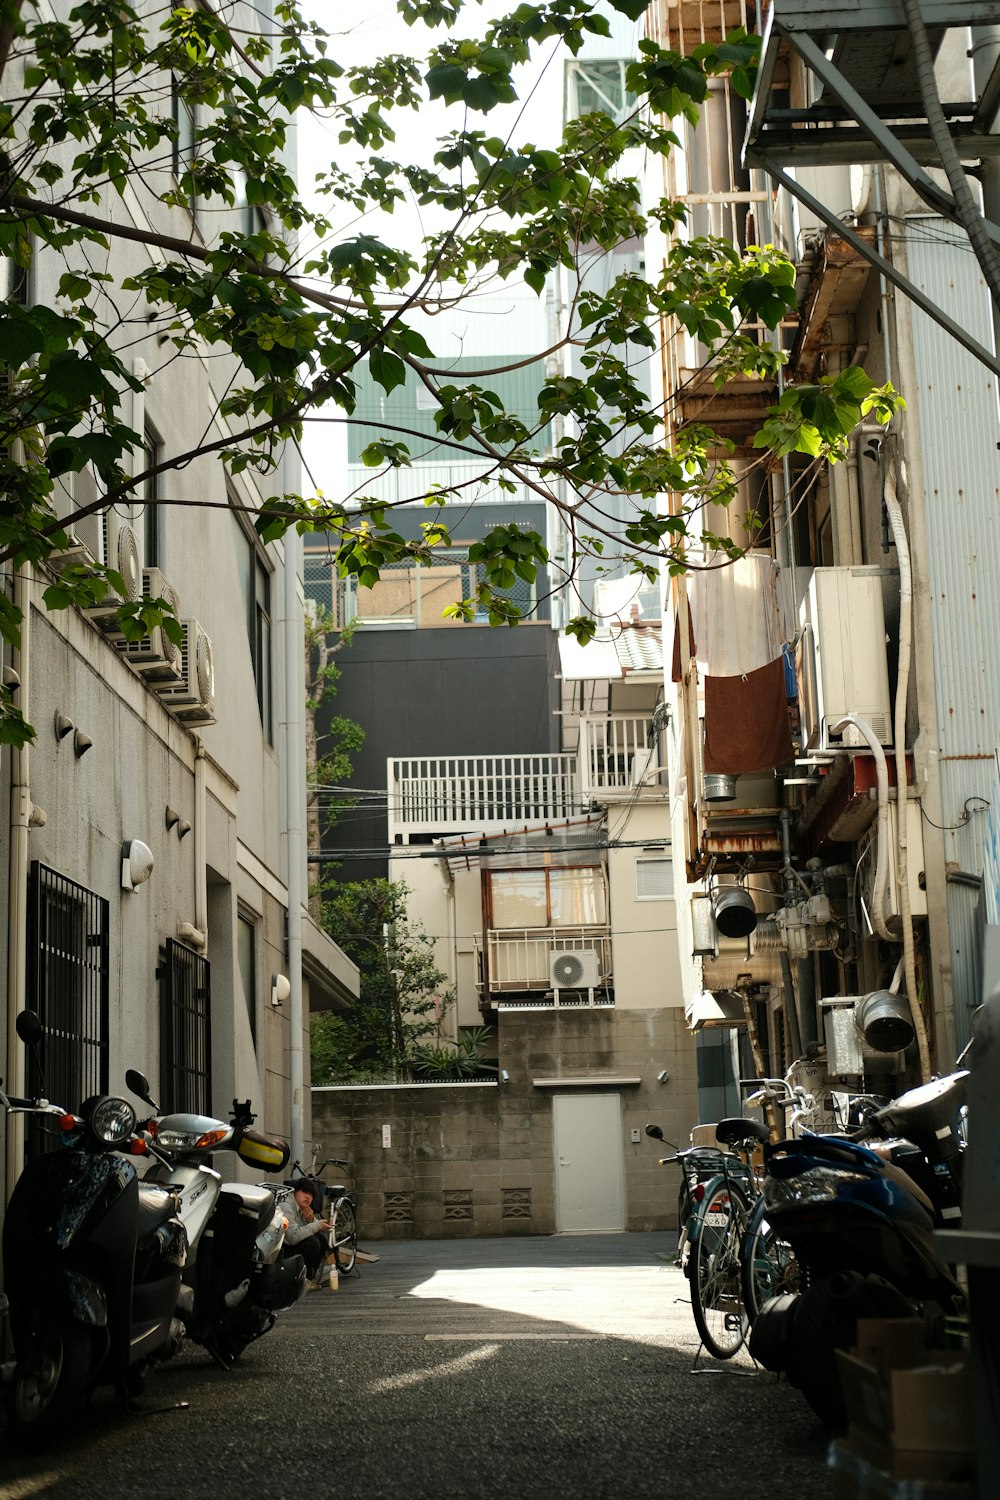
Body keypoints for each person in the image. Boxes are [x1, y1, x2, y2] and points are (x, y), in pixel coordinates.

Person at [282, 1178, 332, 1287]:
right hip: (281, 1252)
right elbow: (292, 1237)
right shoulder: (286, 1206)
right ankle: (299, 1279)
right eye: (304, 1192)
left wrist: (311, 1220)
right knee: (313, 1242)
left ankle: (308, 1278)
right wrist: (317, 1224)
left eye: (311, 1195)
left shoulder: (302, 1208)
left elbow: (307, 1230)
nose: (308, 1197)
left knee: (322, 1239)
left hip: (291, 1247)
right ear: (295, 1192)